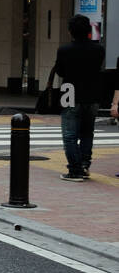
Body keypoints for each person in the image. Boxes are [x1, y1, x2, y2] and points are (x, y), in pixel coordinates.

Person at [51, 14, 105, 180]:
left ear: (70, 32)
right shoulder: (99, 50)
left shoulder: (64, 50)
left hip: (70, 93)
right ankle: (84, 165)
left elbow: (60, 71)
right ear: (88, 30)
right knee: (87, 133)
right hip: (92, 94)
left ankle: (75, 170)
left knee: (70, 134)